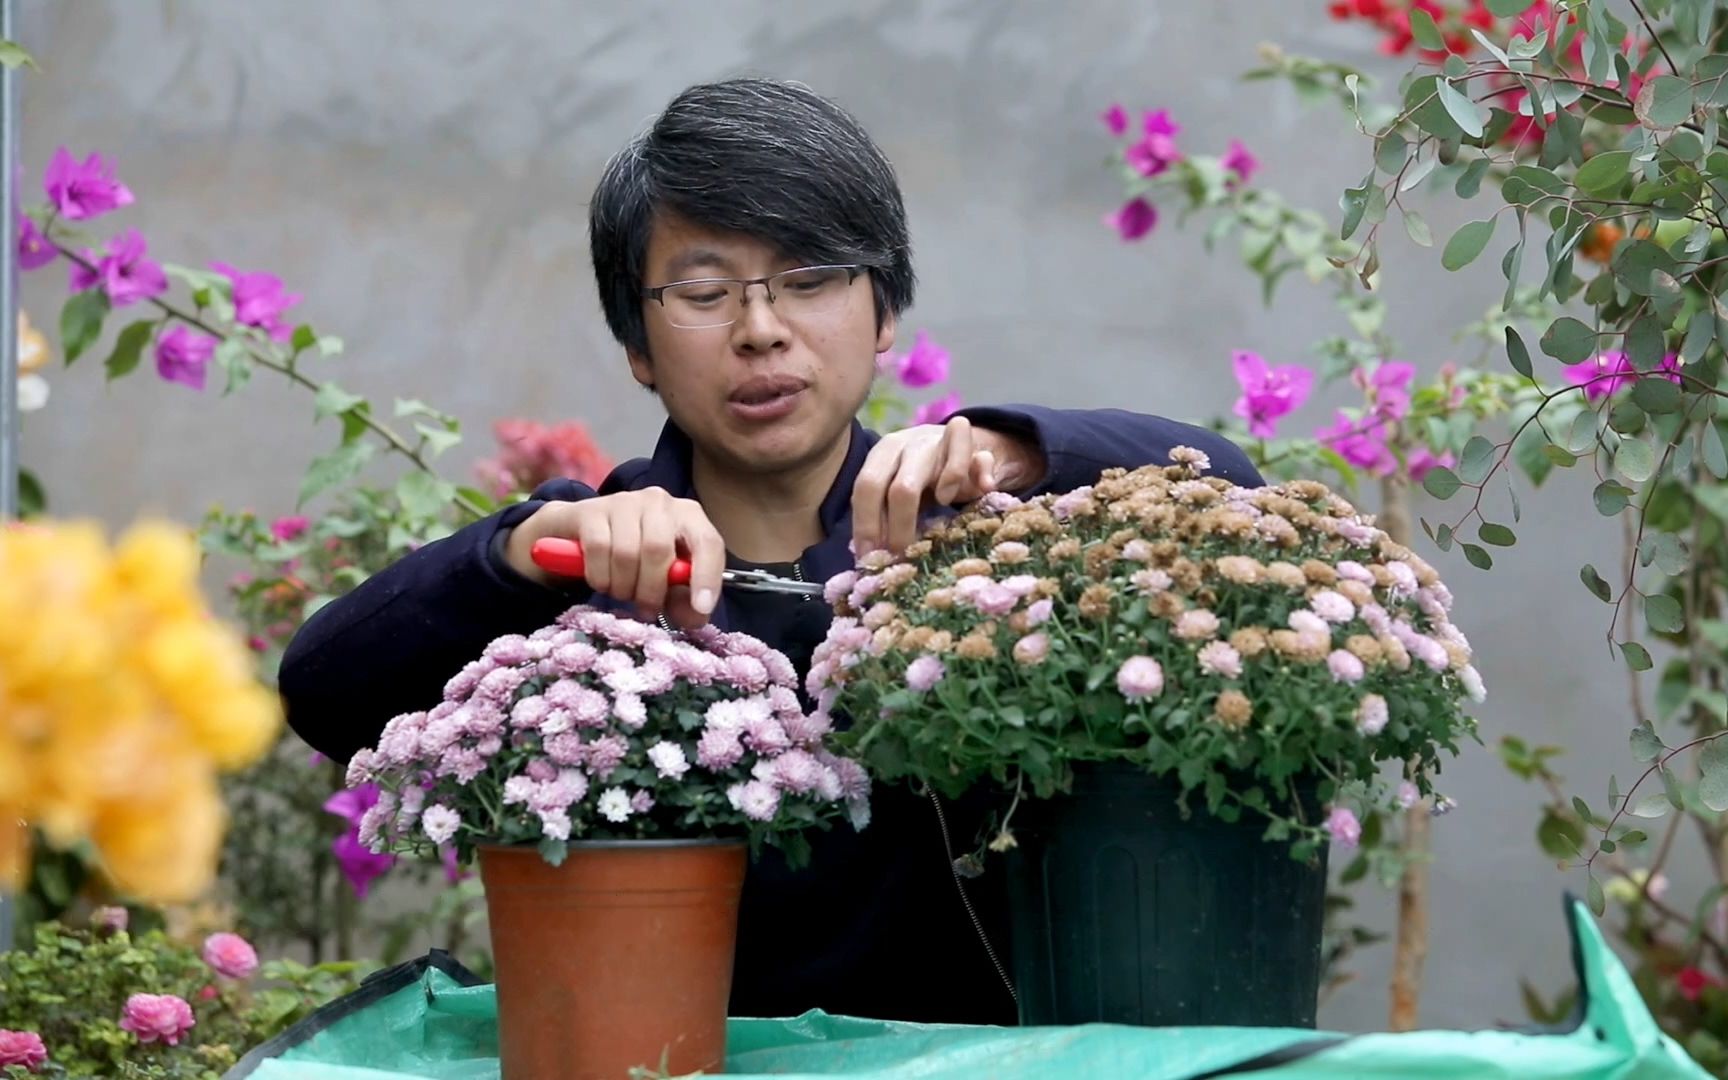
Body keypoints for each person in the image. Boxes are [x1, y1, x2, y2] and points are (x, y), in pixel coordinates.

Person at [279, 76, 1261, 1026]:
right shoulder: (593, 564)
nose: (761, 332)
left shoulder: (990, 531)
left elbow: (1236, 496)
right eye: (702, 293)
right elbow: (324, 691)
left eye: (809, 281)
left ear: (883, 313)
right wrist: (518, 550)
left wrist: (1017, 449)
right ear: (638, 345)